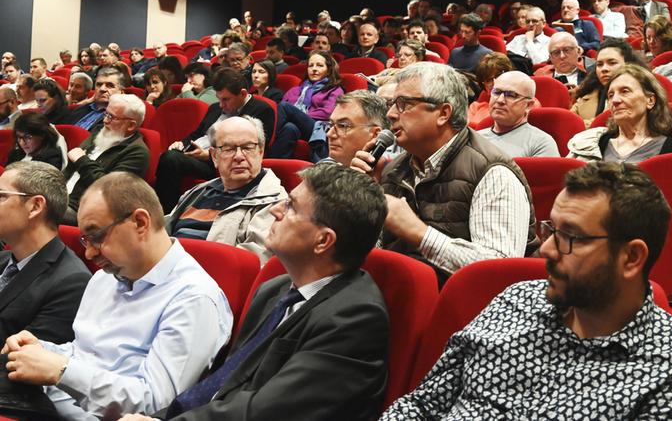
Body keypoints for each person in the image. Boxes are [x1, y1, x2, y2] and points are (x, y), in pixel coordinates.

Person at [382, 160, 672, 419]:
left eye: (571, 237)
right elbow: (421, 407)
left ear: (631, 257)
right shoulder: (515, 301)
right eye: (551, 229)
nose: (547, 251)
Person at [119, 163, 389, 420]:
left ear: (323, 240)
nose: (275, 211)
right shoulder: (275, 289)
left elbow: (267, 412)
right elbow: (225, 383)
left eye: (291, 207)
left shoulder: (355, 318)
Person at [4, 172, 233, 419]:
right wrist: (42, 350)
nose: (89, 254)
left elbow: (155, 403)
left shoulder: (194, 299)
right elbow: (84, 352)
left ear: (140, 223)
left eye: (97, 237)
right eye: (85, 240)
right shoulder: (105, 278)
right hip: (46, 405)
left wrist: (61, 370)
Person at [352, 63, 538, 286]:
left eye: (403, 104)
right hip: (399, 298)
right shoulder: (393, 171)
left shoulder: (493, 173)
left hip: (468, 313)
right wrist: (362, 199)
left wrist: (420, 234)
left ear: (443, 113)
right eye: (391, 104)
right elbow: (373, 256)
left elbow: (499, 271)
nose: (390, 114)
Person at [155, 67, 275, 212]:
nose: (221, 105)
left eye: (226, 99)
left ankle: (167, 212)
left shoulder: (262, 110)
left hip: (218, 161)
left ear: (243, 94)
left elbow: (256, 149)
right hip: (197, 151)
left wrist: (209, 156)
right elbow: (197, 133)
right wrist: (182, 143)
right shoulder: (214, 108)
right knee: (169, 154)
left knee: (170, 159)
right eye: (219, 99)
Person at [166, 116, 285, 262]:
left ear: (260, 151)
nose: (239, 156)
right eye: (229, 149)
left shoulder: (276, 203)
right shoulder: (197, 192)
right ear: (215, 157)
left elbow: (253, 262)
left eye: (248, 147)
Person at [0, 162, 90, 345]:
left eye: (1, 196)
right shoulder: (3, 260)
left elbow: (21, 364)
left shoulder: (71, 283)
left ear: (35, 206)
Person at [568, 64, 672, 163]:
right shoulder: (593, 142)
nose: (615, 100)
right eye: (611, 95)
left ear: (650, 101)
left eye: (625, 91)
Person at [64, 93, 150, 224]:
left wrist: (82, 160)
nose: (105, 121)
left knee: (30, 210)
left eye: (112, 117)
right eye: (106, 114)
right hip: (61, 197)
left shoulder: (137, 152)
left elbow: (108, 190)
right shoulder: (100, 132)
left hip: (84, 211)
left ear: (131, 125)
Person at [269, 51, 344, 160]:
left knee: (285, 107)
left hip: (318, 126)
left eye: (319, 65)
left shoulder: (334, 90)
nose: (314, 69)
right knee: (290, 128)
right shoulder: (295, 90)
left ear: (328, 70)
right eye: (310, 65)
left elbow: (328, 113)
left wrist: (299, 115)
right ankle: (275, 164)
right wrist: (295, 117)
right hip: (297, 127)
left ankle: (265, 140)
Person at [477, 71, 559, 158]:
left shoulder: (541, 143)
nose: (500, 100)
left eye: (511, 95)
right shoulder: (473, 139)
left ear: (528, 105)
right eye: (496, 92)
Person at [572, 38, 647, 128]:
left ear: (629, 64)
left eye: (612, 63)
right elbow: (568, 121)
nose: (604, 69)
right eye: (599, 64)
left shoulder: (641, 94)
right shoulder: (588, 94)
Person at [325, 90, 389, 167]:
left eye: (343, 126)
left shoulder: (390, 174)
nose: (329, 134)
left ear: (376, 134)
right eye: (331, 125)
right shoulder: (324, 167)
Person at [65, 66, 124, 131]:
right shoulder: (82, 107)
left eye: (110, 85)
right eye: (99, 85)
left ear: (121, 92)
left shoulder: (120, 118)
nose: (102, 89)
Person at [468, 52, 515, 125]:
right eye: (488, 80)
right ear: (484, 85)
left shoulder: (523, 102)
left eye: (498, 76)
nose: (494, 83)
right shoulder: (475, 107)